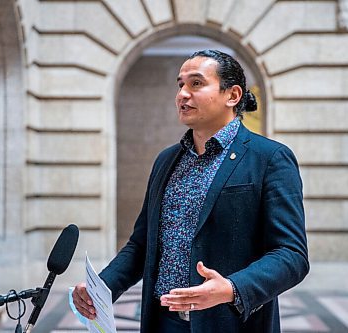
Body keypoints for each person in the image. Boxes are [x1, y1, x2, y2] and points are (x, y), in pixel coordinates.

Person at [72, 49, 309, 333]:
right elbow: (141, 245)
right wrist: (102, 287)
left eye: (196, 83)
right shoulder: (166, 160)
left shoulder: (269, 158)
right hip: (163, 322)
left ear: (232, 96)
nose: (183, 94)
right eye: (180, 84)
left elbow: (291, 255)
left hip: (231, 322)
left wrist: (232, 288)